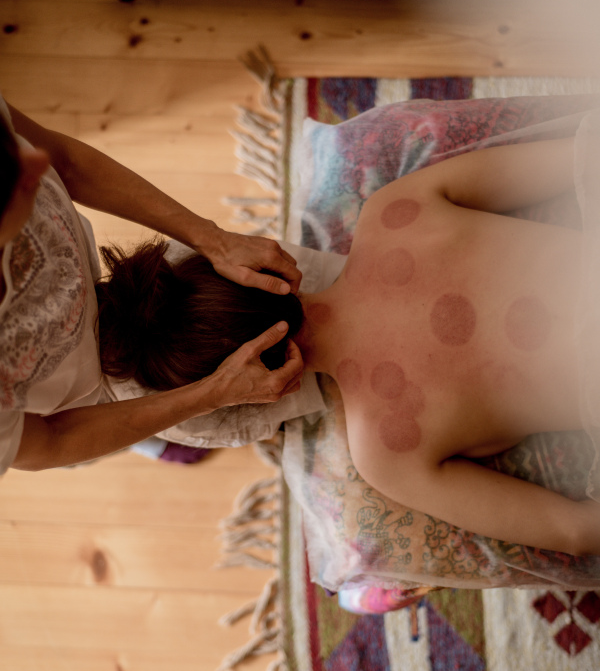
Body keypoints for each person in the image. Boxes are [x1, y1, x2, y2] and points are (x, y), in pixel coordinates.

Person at [96, 131, 600, 557]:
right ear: (250, 263)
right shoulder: (395, 213)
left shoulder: (387, 451)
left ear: (253, 392)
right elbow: (581, 151)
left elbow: (576, 532)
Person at [0, 98, 304, 474]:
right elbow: (50, 442)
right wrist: (213, 394)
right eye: (9, 185)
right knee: (120, 438)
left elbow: (65, 160)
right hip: (68, 413)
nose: (36, 162)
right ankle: (149, 444)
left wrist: (213, 239)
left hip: (118, 303)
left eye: (11, 149)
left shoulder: (29, 163)